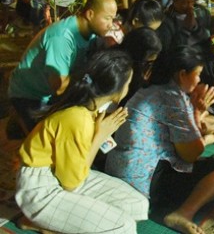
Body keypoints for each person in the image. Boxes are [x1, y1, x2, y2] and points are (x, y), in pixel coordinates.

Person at [15, 50, 149, 234]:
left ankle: (49, 224)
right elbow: (71, 183)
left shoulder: (91, 107)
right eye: (128, 83)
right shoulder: (77, 118)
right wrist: (100, 136)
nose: (128, 89)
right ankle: (42, 221)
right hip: (41, 188)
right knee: (123, 227)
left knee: (138, 204)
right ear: (117, 89)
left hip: (63, 175)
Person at [106, 46, 214, 234]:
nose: (199, 79)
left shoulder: (149, 89)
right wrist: (198, 114)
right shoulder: (173, 99)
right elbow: (191, 154)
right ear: (182, 75)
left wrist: (197, 116)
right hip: (144, 180)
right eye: (197, 74)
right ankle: (182, 213)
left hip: (120, 168)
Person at [8, 0, 118, 131]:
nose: (111, 24)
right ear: (90, 14)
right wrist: (86, 74)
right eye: (107, 18)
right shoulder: (62, 39)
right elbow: (59, 87)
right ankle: (19, 116)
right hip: (31, 94)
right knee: (45, 141)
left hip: (50, 92)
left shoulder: (90, 33)